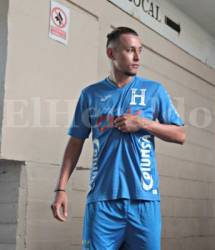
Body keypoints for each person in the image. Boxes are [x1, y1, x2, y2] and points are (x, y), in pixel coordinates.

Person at [51, 26, 185, 250]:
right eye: (130, 50)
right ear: (111, 53)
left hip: (144, 201)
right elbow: (75, 142)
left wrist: (142, 123)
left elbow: (180, 134)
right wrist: (60, 189)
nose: (137, 57)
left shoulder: (154, 91)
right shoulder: (90, 95)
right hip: (103, 202)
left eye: (140, 51)